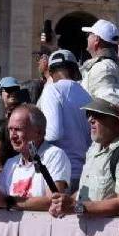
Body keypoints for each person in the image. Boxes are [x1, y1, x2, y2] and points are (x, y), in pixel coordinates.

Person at [49, 88, 119, 217]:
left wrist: (75, 207)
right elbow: (84, 193)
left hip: (118, 230)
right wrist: (64, 204)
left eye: (98, 114)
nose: (90, 119)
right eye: (89, 113)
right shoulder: (94, 148)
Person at [0, 105, 70, 212]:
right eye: (10, 129)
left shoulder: (54, 155)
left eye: (18, 129)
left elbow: (54, 202)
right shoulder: (11, 163)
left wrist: (6, 201)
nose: (13, 136)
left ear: (39, 133)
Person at [36, 49, 92, 188]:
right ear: (74, 70)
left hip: (59, 173)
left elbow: (53, 133)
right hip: (83, 173)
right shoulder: (87, 95)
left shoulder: (52, 90)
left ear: (50, 71)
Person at [80, 19, 119, 96]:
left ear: (97, 39)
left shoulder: (103, 67)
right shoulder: (106, 65)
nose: (87, 38)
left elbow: (107, 99)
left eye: (89, 34)